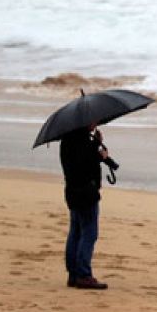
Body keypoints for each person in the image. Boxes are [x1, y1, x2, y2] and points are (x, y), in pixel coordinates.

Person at [59, 122, 111, 290]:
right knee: (89, 233)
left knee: (76, 232)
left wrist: (95, 143)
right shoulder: (81, 141)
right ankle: (83, 274)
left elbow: (79, 162)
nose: (95, 124)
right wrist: (98, 151)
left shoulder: (68, 139)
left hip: (73, 191)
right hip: (85, 192)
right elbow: (85, 164)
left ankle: (74, 274)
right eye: (92, 121)